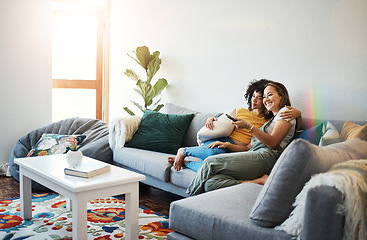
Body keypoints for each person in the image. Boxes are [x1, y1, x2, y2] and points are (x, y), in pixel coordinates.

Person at [186, 81, 297, 196]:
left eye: (270, 95)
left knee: (210, 162)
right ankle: (258, 181)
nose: (266, 99)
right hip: (255, 154)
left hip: (266, 157)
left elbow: (273, 143)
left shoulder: (285, 113)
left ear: (281, 96)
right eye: (264, 96)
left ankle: (186, 202)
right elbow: (248, 147)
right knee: (211, 183)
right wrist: (228, 145)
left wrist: (249, 126)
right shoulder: (273, 119)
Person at [168, 79, 301, 172]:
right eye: (253, 96)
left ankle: (187, 163)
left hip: (236, 148)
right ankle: (183, 151)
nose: (255, 99)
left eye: (259, 97)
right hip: (224, 141)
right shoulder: (241, 111)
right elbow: (223, 120)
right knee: (216, 152)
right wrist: (210, 119)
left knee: (218, 162)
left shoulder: (269, 121)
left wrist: (298, 114)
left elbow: (290, 127)